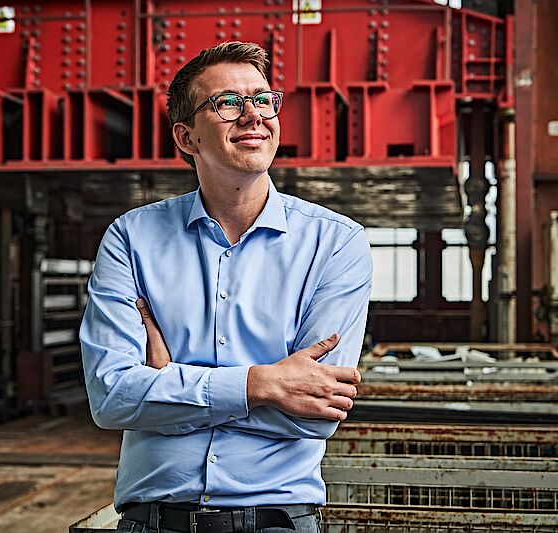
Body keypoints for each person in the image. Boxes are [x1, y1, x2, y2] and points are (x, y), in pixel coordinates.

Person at [79, 41, 372, 533]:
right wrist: (262, 385)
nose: (254, 115)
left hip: (278, 521)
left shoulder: (337, 243)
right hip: (153, 521)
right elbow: (112, 398)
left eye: (263, 99)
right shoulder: (132, 237)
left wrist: (170, 384)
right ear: (186, 137)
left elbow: (316, 413)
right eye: (228, 103)